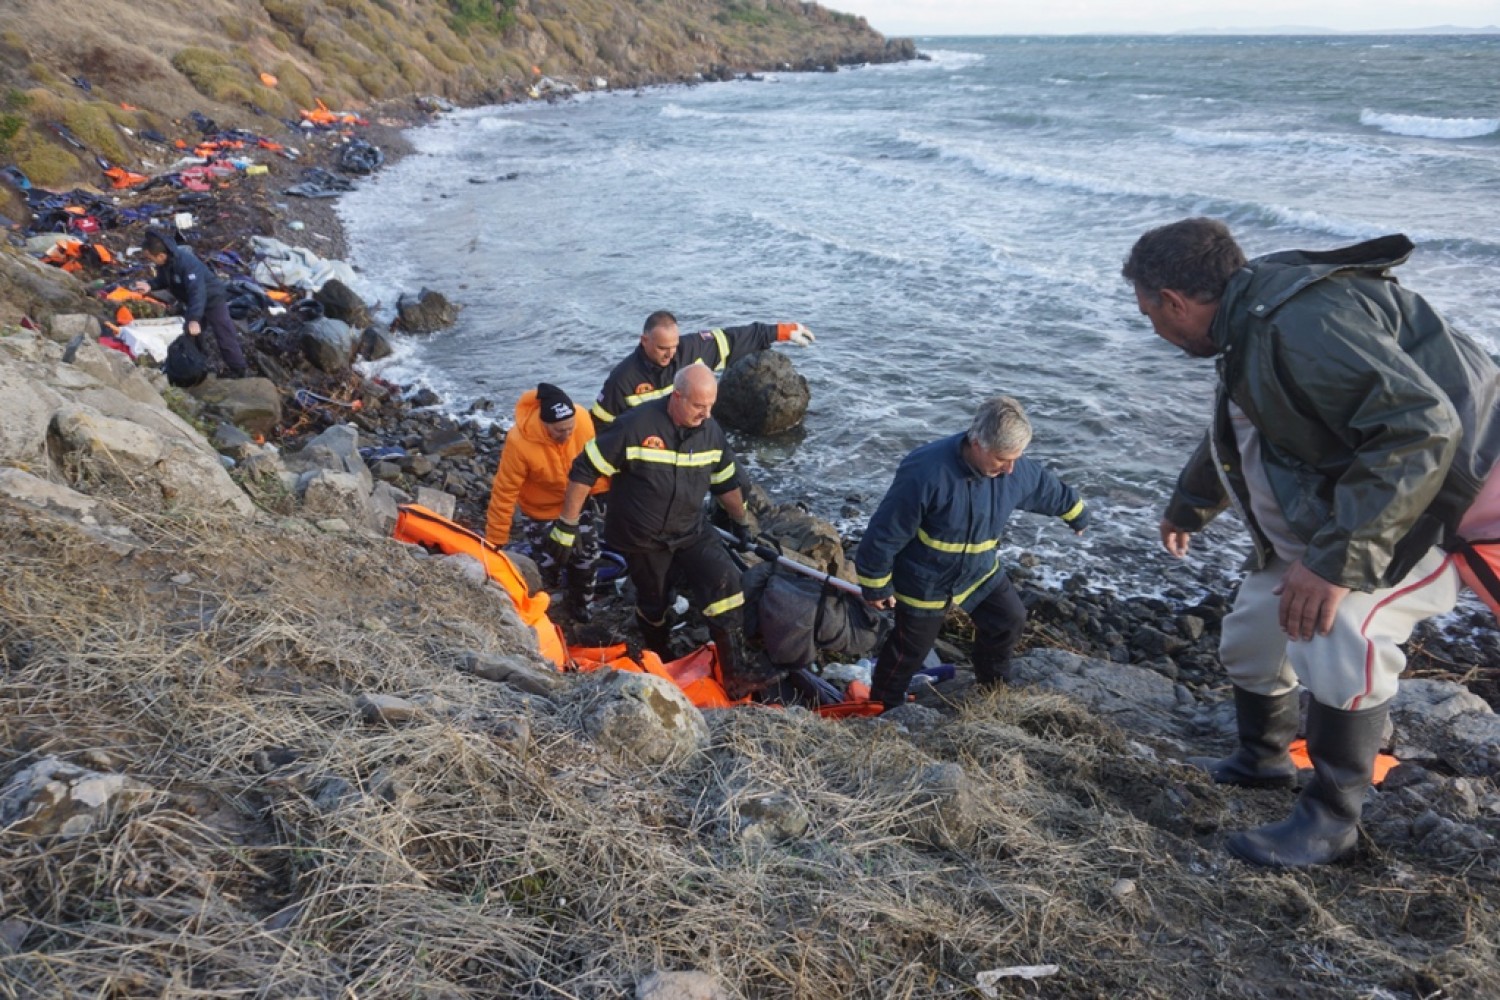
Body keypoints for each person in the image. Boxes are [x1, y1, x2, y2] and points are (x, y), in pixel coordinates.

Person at [1124, 217, 1500, 868]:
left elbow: (1420, 432)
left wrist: (1333, 564)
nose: (1153, 329)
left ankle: (1333, 820)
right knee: (1251, 631)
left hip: (1454, 501)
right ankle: (1263, 759)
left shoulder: (1297, 322)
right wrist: (1190, 505)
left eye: (1150, 314)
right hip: (1373, 497)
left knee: (1343, 623)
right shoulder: (1254, 315)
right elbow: (1243, 424)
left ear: (1175, 302)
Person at [551, 365, 780, 697]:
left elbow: (726, 480)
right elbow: (585, 468)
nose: (707, 413)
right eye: (699, 406)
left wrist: (741, 522)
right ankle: (660, 654)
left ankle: (735, 671)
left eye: (711, 405)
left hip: (690, 528)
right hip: (642, 535)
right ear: (677, 396)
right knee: (655, 602)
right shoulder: (636, 425)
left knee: (727, 584)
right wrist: (566, 525)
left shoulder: (710, 431)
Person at [854, 396, 1090, 711]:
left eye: (1016, 458)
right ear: (977, 443)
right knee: (910, 648)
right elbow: (887, 529)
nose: (1010, 469)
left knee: (1009, 619)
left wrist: (1076, 513)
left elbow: (1045, 488)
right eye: (1003, 459)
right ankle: (885, 706)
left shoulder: (1013, 469)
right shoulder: (925, 470)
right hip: (925, 577)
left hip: (979, 570)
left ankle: (992, 689)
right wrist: (875, 581)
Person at [485, 383, 609, 621]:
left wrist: (601, 490)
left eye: (570, 429)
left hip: (577, 501)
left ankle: (581, 605)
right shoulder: (519, 441)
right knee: (550, 562)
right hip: (540, 511)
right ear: (545, 425)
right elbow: (505, 491)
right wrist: (495, 540)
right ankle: (545, 606)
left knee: (587, 556)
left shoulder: (582, 419)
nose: (566, 435)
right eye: (559, 431)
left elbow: (596, 460)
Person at [590, 310, 815, 425]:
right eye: (661, 348)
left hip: (691, 437)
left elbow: (734, 339)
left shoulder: (691, 350)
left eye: (673, 346)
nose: (669, 354)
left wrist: (782, 332)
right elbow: (600, 426)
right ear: (644, 340)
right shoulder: (623, 378)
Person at [132, 228, 248, 378]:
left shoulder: (186, 264)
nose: (150, 261)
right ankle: (197, 366)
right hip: (193, 301)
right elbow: (163, 280)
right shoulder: (165, 263)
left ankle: (238, 369)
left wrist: (194, 319)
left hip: (212, 298)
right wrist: (150, 285)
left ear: (160, 255)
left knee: (223, 332)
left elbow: (197, 292)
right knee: (191, 334)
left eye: (150, 258)